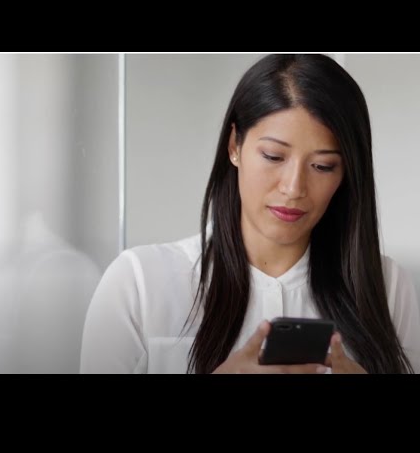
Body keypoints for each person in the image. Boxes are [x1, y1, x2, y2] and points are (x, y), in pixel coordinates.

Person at [80, 54, 420, 374]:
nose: (294, 188)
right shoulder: (139, 283)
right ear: (234, 146)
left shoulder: (386, 286)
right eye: (273, 156)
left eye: (322, 166)